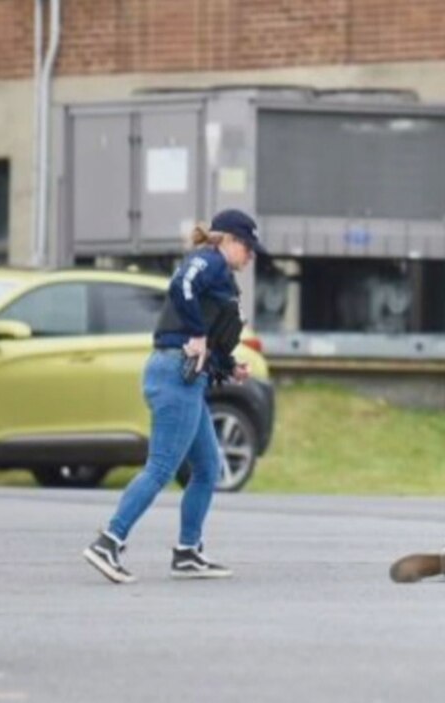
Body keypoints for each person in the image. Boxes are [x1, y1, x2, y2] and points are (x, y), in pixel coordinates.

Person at [82, 209, 268, 584]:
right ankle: (108, 541)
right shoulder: (208, 260)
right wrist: (197, 335)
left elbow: (207, 331)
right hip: (174, 377)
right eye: (247, 247)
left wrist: (228, 365)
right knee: (162, 467)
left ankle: (187, 552)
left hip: (188, 379)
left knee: (207, 468)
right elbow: (181, 285)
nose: (250, 256)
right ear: (228, 240)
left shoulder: (219, 273)